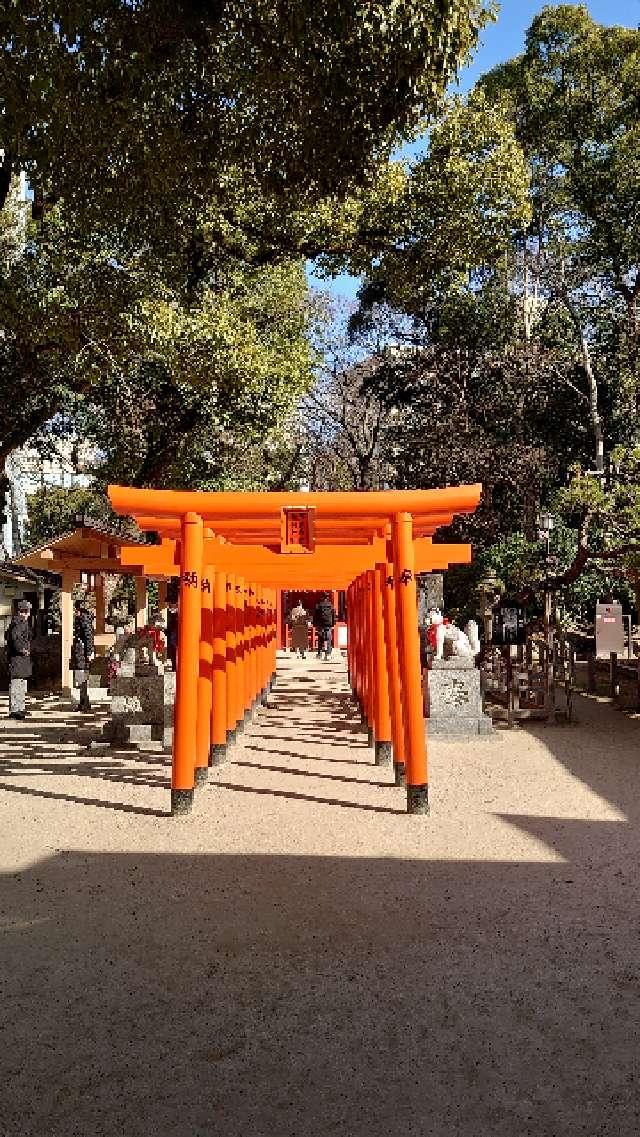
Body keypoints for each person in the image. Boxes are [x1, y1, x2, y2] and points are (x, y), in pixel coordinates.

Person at [6, 600, 33, 719]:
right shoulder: (18, 623)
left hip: (22, 659)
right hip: (17, 659)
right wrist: (23, 649)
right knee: (17, 684)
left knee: (22, 684)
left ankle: (20, 708)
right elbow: (14, 638)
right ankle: (15, 710)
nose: (27, 613)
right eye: (25, 611)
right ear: (21, 612)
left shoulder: (23, 623)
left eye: (27, 611)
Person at [71, 599, 94, 711]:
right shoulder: (84, 619)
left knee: (81, 675)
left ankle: (84, 702)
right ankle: (84, 701)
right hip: (80, 651)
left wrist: (89, 652)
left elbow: (88, 637)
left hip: (81, 652)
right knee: (81, 676)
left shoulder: (84, 619)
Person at [313, 592, 336, 660]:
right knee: (328, 639)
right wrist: (333, 623)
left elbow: (315, 616)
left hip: (320, 624)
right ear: (328, 597)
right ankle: (328, 654)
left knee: (320, 639)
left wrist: (315, 624)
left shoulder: (318, 605)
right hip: (328, 624)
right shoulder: (331, 605)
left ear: (322, 597)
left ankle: (319, 653)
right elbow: (334, 615)